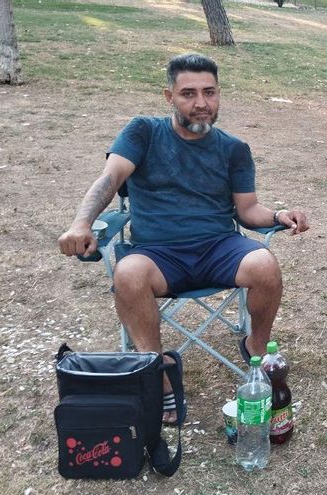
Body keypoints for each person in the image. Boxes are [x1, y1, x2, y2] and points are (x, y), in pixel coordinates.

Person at [58, 53, 310, 424]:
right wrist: (82, 223)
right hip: (157, 253)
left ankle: (256, 346)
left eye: (209, 93)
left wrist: (276, 216)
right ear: (169, 97)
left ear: (219, 94)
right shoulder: (143, 132)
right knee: (128, 274)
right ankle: (155, 372)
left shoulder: (233, 149)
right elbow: (109, 180)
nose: (201, 104)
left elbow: (247, 210)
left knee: (264, 263)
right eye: (188, 94)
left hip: (217, 247)